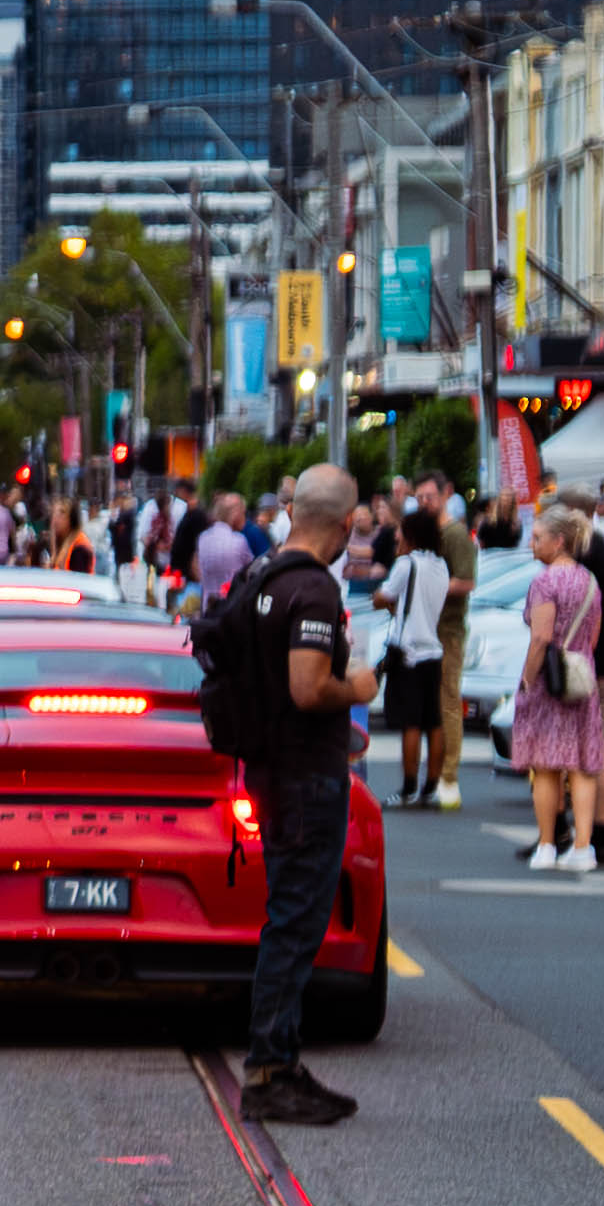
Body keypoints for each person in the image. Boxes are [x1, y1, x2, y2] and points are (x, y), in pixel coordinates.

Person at [196, 463, 367, 1128]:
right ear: (349, 524)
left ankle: (281, 1061)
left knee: (287, 920)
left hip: (267, 769)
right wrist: (356, 687)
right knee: (295, 924)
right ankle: (269, 1069)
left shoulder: (257, 575)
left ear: (292, 510)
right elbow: (307, 686)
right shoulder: (314, 589)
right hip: (306, 779)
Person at [510, 501, 604, 869]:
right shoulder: (589, 581)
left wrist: (526, 680)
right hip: (580, 680)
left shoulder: (545, 581)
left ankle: (547, 846)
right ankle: (583, 848)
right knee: (581, 766)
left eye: (537, 538)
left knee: (546, 766)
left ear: (558, 541)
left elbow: (541, 638)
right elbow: (594, 635)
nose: (532, 544)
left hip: (548, 681)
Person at [372, 502, 459, 810]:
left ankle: (408, 788)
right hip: (433, 651)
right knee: (432, 722)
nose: (397, 539)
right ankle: (431, 787)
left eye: (401, 534)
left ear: (411, 536)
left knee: (410, 724)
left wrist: (381, 598)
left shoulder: (407, 565)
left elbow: (384, 597)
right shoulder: (440, 566)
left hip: (407, 654)